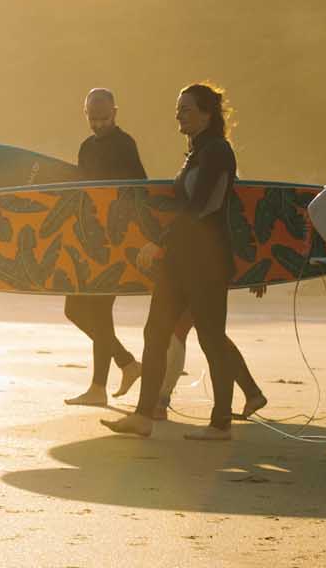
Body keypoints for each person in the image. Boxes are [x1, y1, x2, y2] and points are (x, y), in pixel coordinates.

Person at [103, 83, 267, 439]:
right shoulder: (196, 152)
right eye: (178, 108)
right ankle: (143, 416)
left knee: (210, 337)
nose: (179, 114)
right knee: (155, 332)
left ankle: (221, 422)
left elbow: (203, 208)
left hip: (207, 262)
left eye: (187, 109)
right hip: (180, 262)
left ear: (207, 114)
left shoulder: (218, 152)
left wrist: (159, 243)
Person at [62, 88, 147, 405]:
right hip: (88, 239)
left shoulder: (125, 145)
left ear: (115, 112)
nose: (98, 124)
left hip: (114, 240)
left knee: (98, 311)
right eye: (92, 118)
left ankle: (98, 389)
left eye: (104, 118)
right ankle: (127, 363)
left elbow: (139, 188)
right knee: (74, 309)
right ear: (85, 113)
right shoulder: (86, 147)